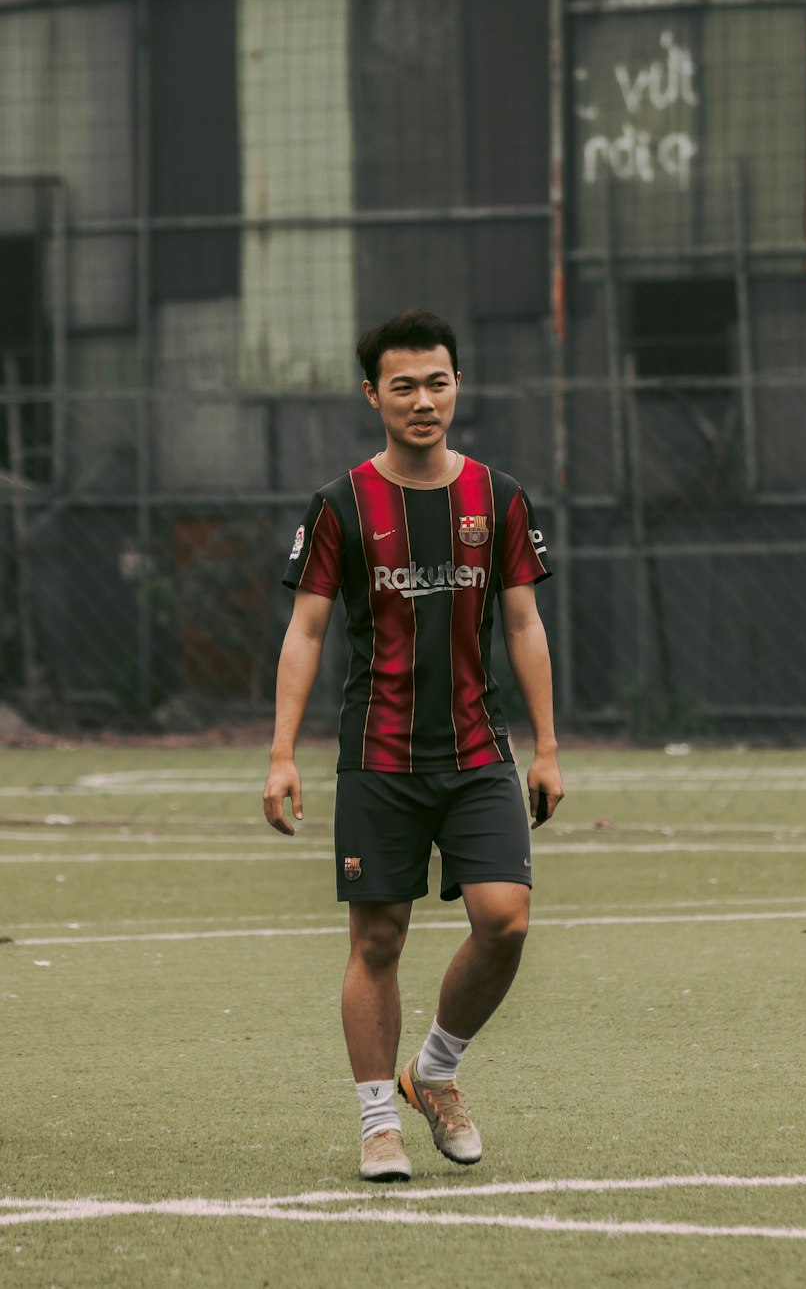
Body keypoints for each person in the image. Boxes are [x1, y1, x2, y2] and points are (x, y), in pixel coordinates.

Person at [262, 307, 565, 1183]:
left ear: (458, 385)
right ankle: (375, 1124)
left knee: (504, 920)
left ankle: (433, 1072)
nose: (423, 400)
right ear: (373, 396)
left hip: (478, 753)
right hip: (379, 756)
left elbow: (524, 624)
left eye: (438, 382)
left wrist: (546, 746)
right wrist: (281, 754)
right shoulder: (341, 505)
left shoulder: (499, 498)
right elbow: (306, 634)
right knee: (379, 941)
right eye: (404, 386)